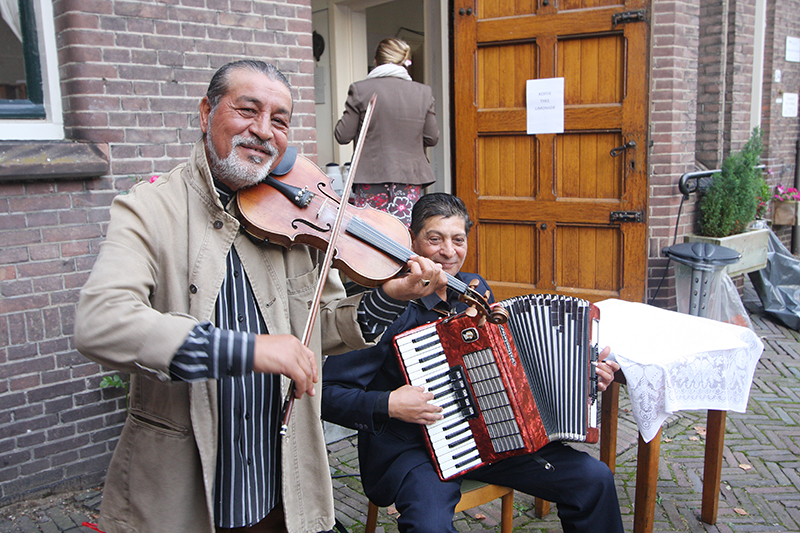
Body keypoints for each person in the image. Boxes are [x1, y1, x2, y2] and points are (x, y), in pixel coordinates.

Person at [74, 60, 448, 533]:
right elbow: (100, 322)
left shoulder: (295, 218)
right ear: (207, 111)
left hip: (281, 472)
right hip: (191, 481)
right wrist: (249, 348)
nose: (263, 131)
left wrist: (389, 296)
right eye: (247, 110)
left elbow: (323, 329)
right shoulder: (149, 207)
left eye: (279, 120)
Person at [322, 193, 625, 533]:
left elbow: (515, 371)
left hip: (493, 437)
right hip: (415, 450)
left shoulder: (473, 290)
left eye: (458, 240)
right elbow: (326, 394)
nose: (448, 252)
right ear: (412, 238)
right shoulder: (386, 305)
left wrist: (580, 377)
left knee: (593, 479)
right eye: (434, 239)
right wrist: (389, 403)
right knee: (429, 526)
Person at [334, 37, 439, 227]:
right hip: (409, 178)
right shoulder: (422, 92)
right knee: (403, 234)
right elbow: (432, 138)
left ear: (376, 61)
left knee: (371, 237)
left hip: (370, 177)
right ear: (404, 61)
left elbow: (342, 135)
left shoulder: (361, 89)